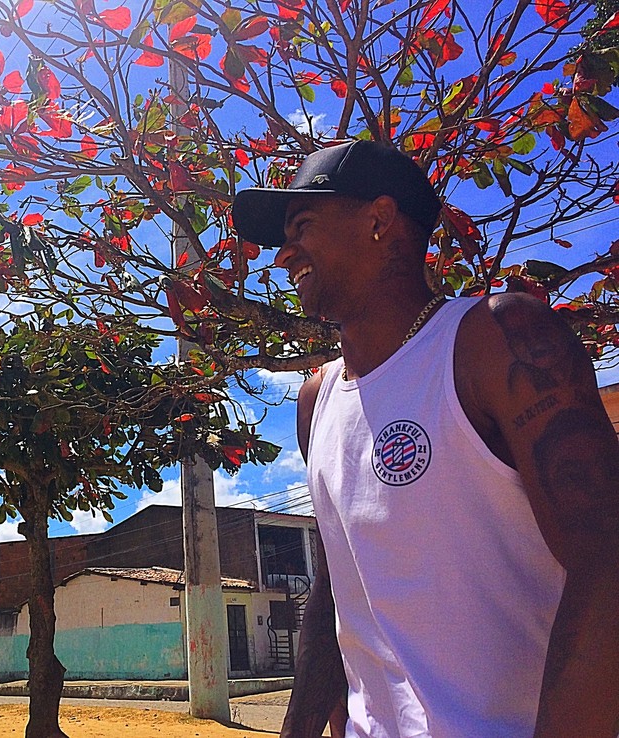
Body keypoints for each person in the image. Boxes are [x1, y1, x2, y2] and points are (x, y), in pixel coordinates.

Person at [232, 140, 619, 738]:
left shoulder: (494, 340)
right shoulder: (317, 400)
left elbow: (607, 560)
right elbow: (337, 585)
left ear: (379, 219)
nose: (283, 254)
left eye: (302, 225)